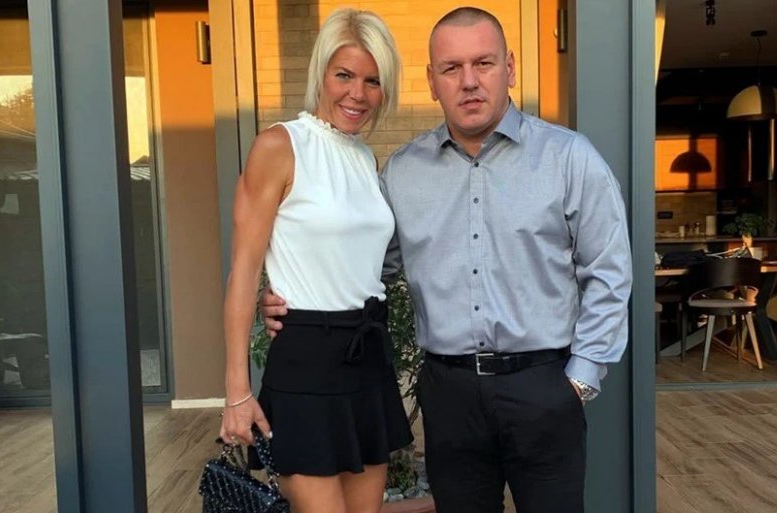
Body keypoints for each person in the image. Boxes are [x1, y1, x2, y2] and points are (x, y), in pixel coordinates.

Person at [263, 7, 632, 513]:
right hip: (449, 396)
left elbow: (608, 272)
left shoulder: (568, 158)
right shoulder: (402, 172)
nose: (469, 81)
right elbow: (369, 266)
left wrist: (580, 378)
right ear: (432, 82)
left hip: (543, 388)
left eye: (484, 63)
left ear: (510, 68)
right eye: (452, 68)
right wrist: (291, 294)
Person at [219, 9, 413, 513]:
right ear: (321, 74)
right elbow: (244, 271)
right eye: (344, 75)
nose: (358, 93)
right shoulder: (279, 145)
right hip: (306, 361)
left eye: (373, 81)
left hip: (368, 357)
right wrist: (237, 390)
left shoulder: (364, 159)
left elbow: (354, 260)